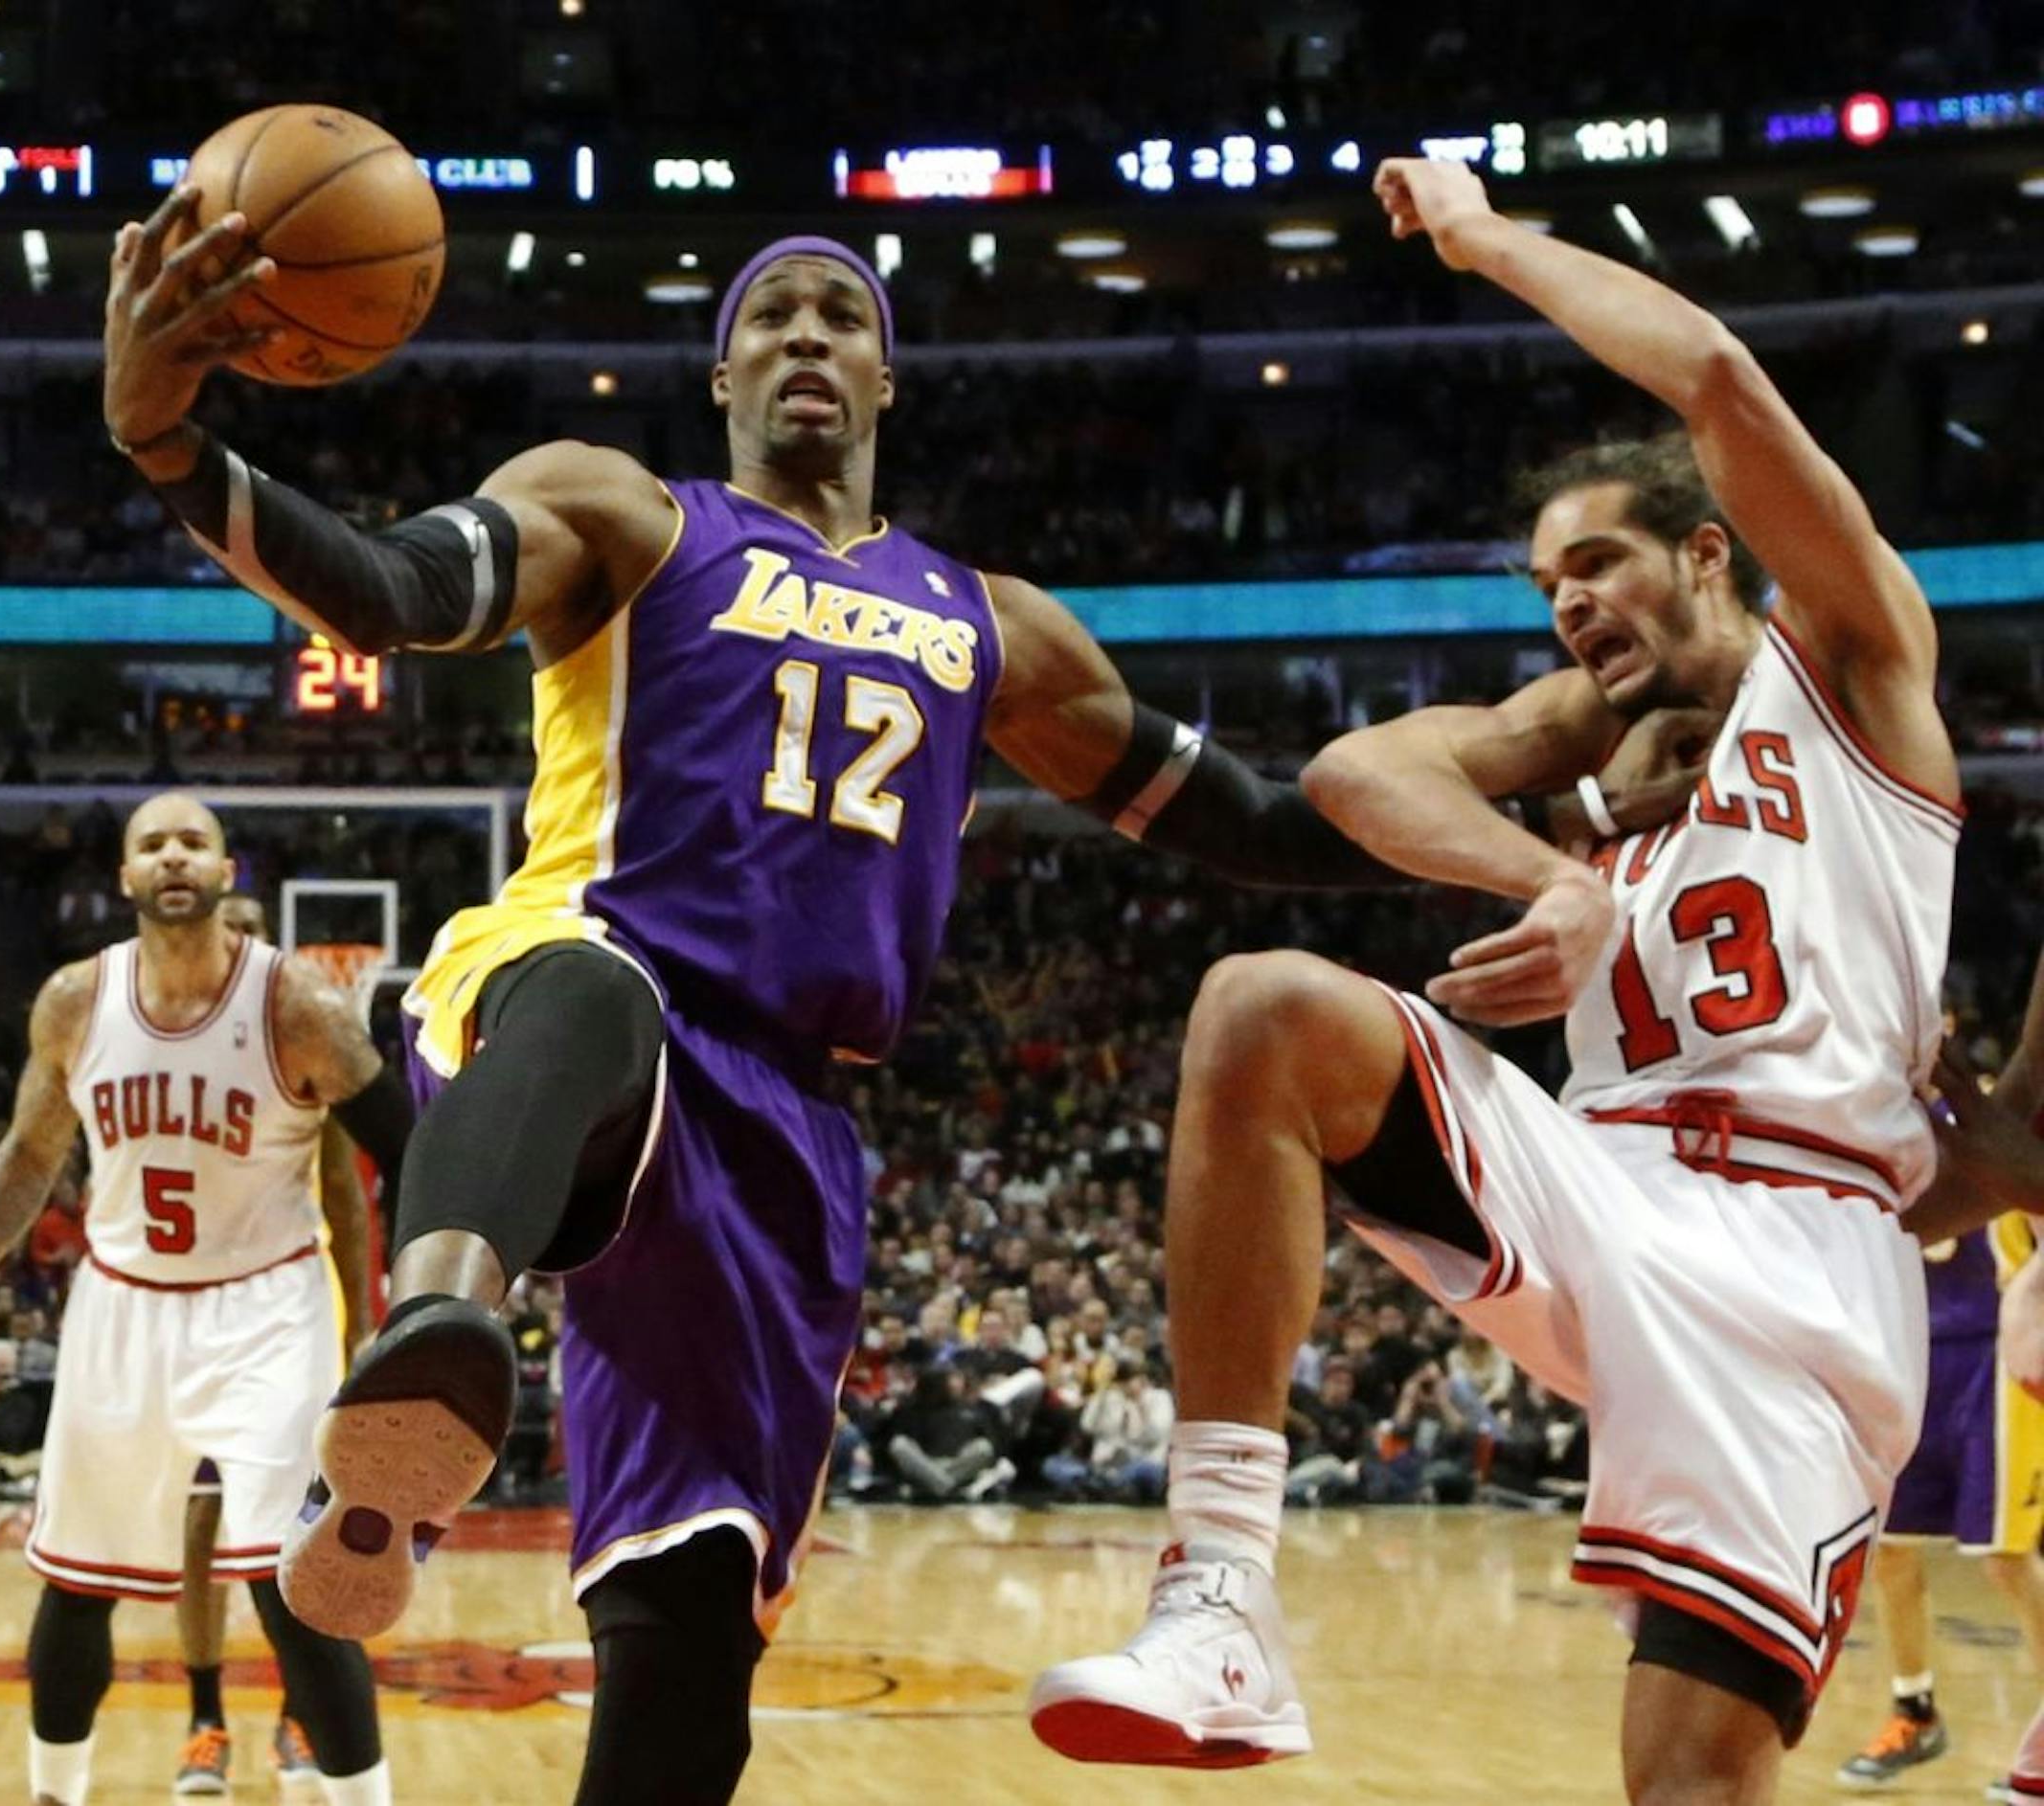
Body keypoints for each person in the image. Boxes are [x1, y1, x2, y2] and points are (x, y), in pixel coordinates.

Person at [102, 196, 1695, 1805]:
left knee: (695, 1619)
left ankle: (457, 1465)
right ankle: (435, 1340)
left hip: (789, 1123)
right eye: (775, 315)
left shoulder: (988, 624)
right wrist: (172, 445)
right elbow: (383, 589)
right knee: (591, 995)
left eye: (841, 316)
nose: (808, 337)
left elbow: (1265, 828)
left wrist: (1569, 752)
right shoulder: (623, 515)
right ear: (722, 371)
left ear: (887, 380)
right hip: (585, 996)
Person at [1031, 154, 1960, 1806]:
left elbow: (1715, 378)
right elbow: (1351, 772)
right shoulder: (1587, 760)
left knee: (1687, 1781)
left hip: (1811, 1258)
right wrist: (1552, 876)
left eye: (1596, 563)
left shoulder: (1855, 671)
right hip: (1608, 1186)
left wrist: (1480, 240)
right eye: (1544, 585)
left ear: (1705, 552)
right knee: (1264, 1010)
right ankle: (1223, 1599)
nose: (1569, 603)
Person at [0, 794, 414, 1806]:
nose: (174, 854)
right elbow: (31, 1155)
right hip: (123, 1304)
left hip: (265, 1307)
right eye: (151, 843)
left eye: (195, 841)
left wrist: (406, 1310)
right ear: (125, 878)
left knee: (296, 1590)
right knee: (77, 1584)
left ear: (229, 870)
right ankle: (55, 1791)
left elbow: (399, 1155)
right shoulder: (74, 1002)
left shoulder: (300, 1004)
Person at [173, 892, 374, 1796]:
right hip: (178, 1320)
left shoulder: (299, 1046)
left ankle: (302, 1709)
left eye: (251, 931)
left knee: (297, 1538)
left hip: (284, 1322)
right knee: (199, 1526)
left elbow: (344, 1194)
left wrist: (364, 1324)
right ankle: (205, 1716)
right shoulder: (158, 1048)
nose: (238, 943)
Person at [1833, 1212, 2044, 1795]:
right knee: (1892, 1547)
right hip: (1907, 1350)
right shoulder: (1889, 1127)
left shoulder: (2004, 1124)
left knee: (2005, 1554)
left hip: (1996, 1348)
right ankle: (1914, 1710)